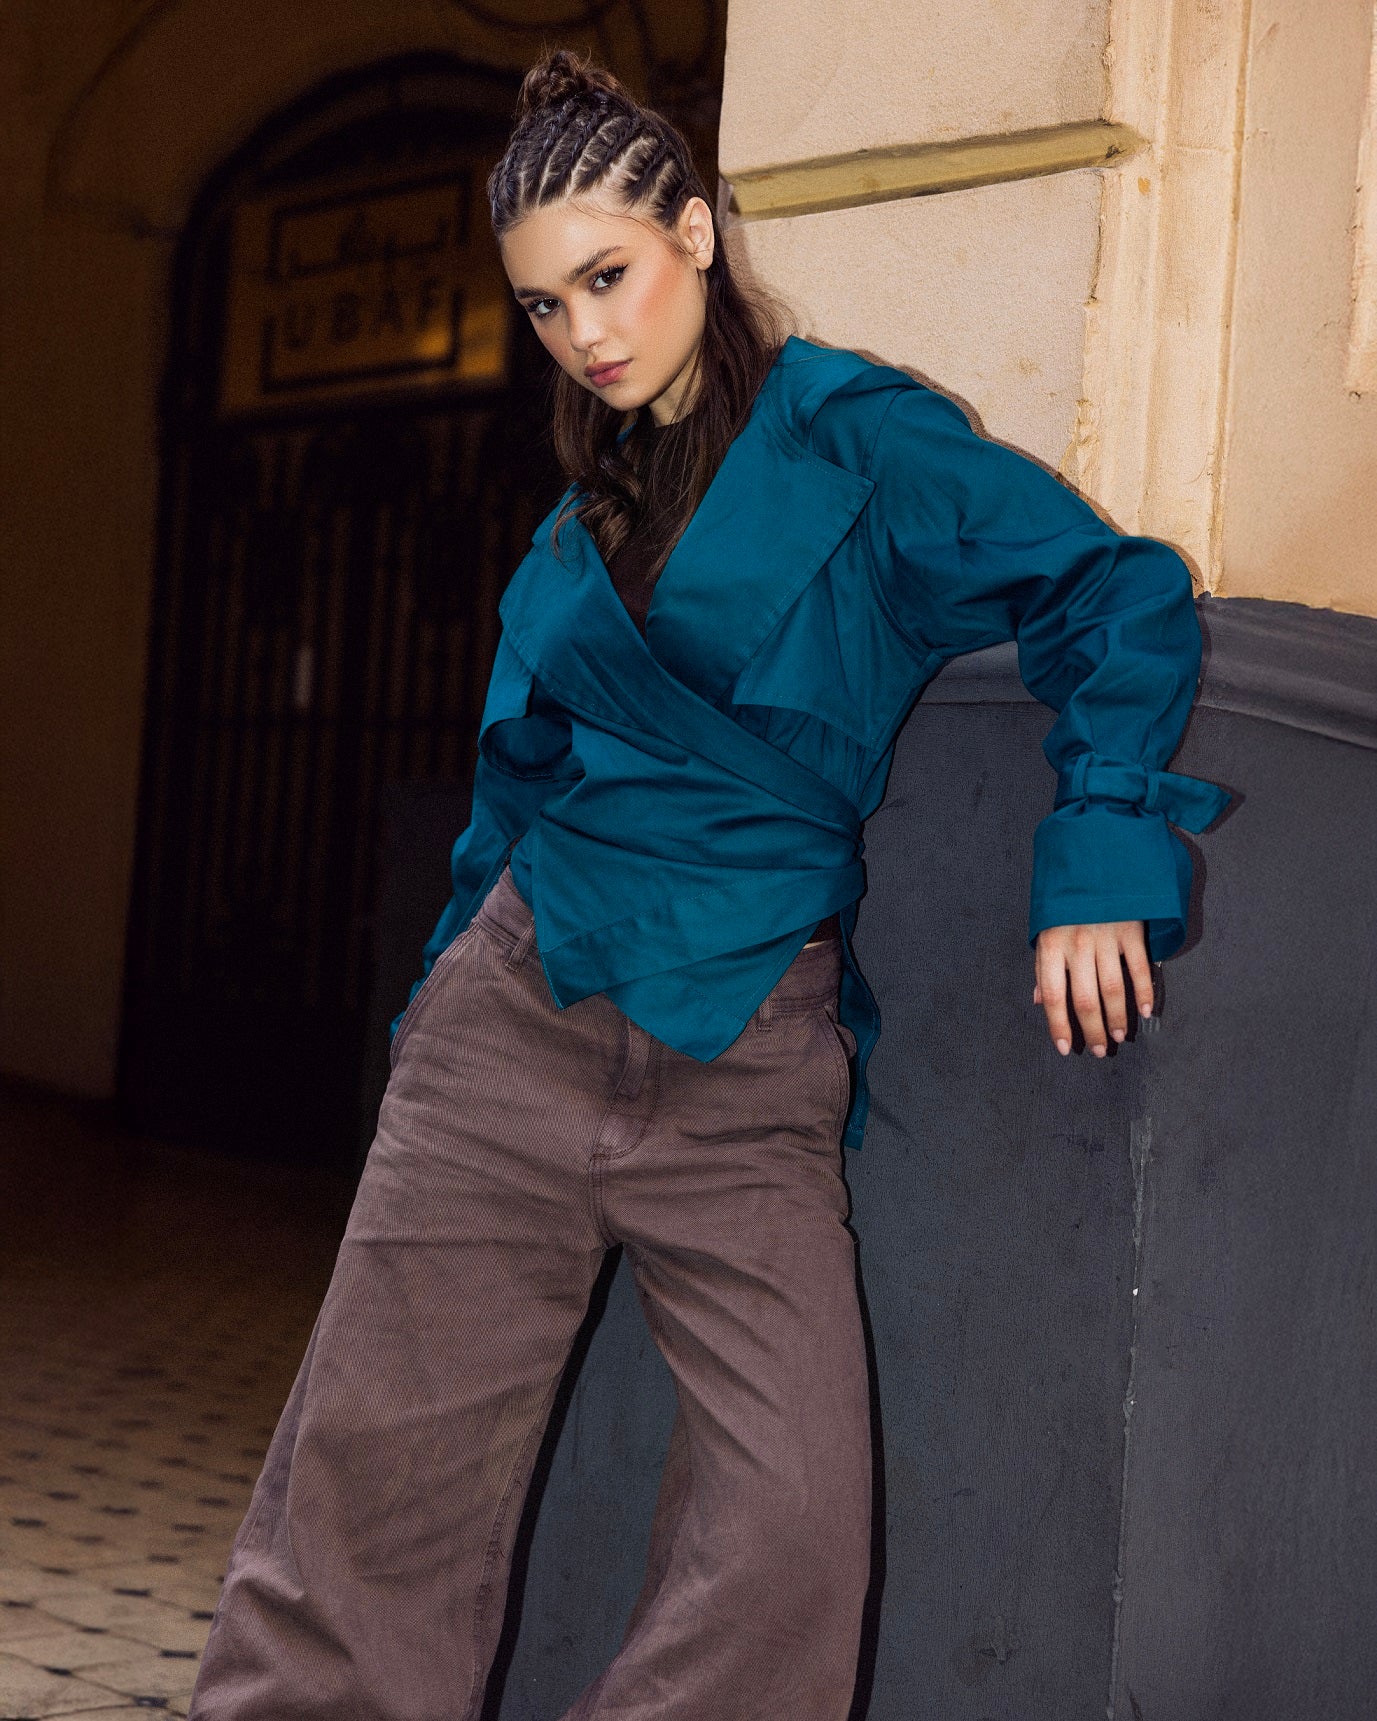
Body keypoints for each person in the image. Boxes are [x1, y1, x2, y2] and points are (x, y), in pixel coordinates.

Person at [188, 46, 1230, 1721]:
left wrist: (1095, 857)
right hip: (509, 1031)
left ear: (696, 225)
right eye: (543, 307)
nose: (584, 334)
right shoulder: (567, 533)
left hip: (747, 1054)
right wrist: (430, 1034)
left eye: (608, 275)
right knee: (366, 1511)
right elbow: (503, 809)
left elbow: (1112, 595)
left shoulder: (862, 442)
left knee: (793, 1527)